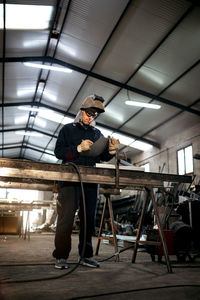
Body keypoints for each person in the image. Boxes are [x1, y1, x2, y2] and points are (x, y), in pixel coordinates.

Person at [53, 95, 120, 269]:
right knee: (65, 219)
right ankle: (61, 256)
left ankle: (86, 255)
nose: (91, 117)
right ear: (81, 111)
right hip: (69, 180)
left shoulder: (97, 133)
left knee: (88, 220)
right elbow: (59, 152)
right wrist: (77, 149)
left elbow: (102, 156)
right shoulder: (67, 130)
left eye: (94, 114)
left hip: (91, 181)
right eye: (89, 113)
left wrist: (111, 151)